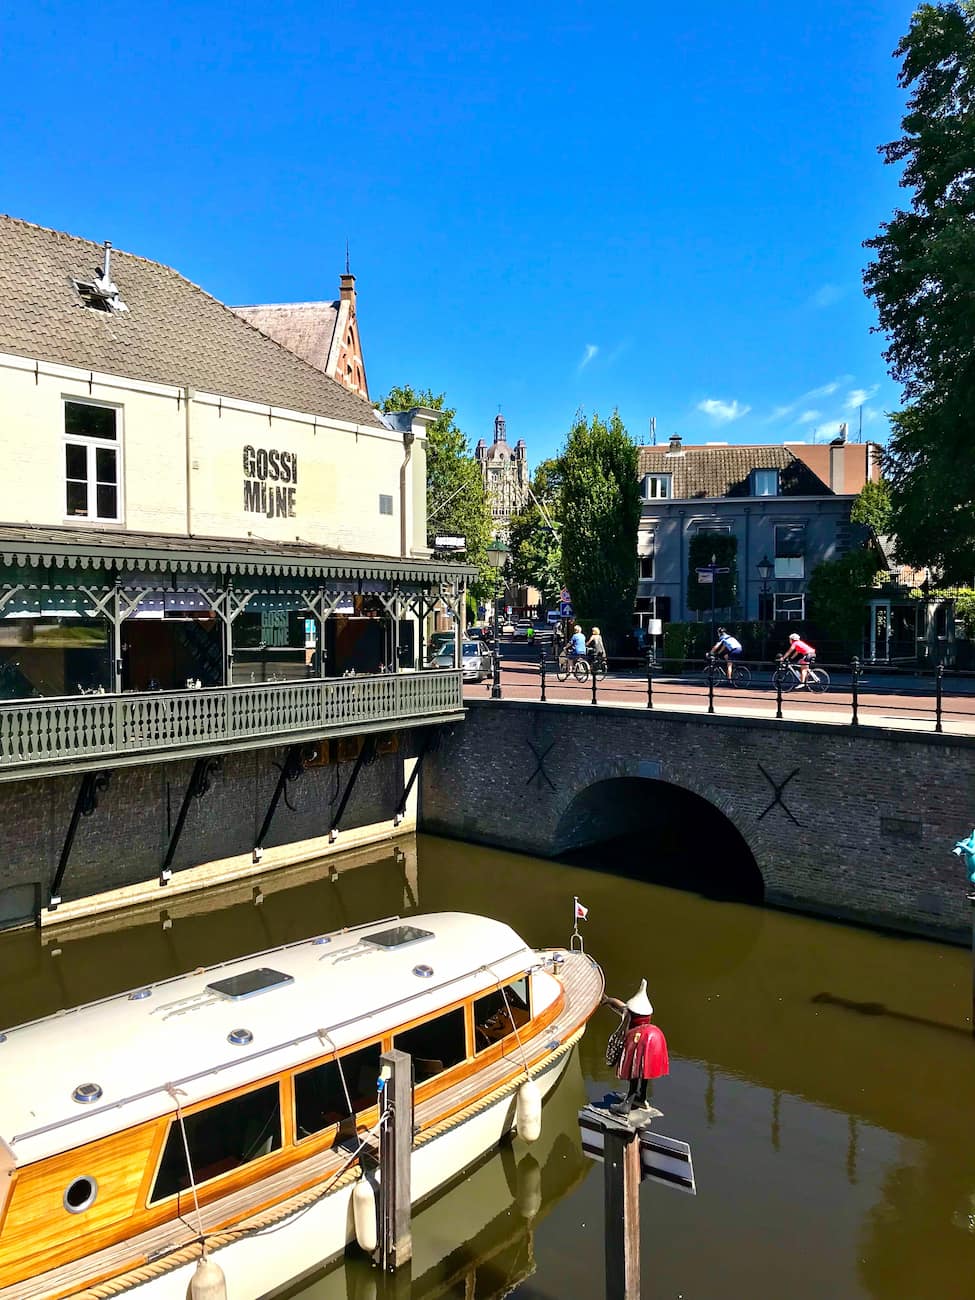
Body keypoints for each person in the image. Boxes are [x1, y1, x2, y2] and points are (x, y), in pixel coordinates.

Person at [602, 979, 669, 1117]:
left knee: (634, 1069)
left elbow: (622, 1009)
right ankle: (641, 1097)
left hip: (640, 1040)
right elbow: (620, 1007)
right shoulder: (645, 1018)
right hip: (655, 1038)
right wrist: (608, 1000)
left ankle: (628, 1103)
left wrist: (608, 1000)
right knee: (645, 1070)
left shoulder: (631, 1018)